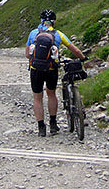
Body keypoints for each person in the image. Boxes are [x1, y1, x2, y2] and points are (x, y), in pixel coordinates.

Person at [25, 8, 84, 136]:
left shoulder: (33, 33)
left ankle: (41, 128)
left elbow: (27, 54)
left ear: (41, 21)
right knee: (51, 94)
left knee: (37, 98)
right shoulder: (58, 35)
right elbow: (75, 50)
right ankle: (53, 124)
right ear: (54, 21)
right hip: (52, 69)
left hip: (36, 70)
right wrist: (82, 58)